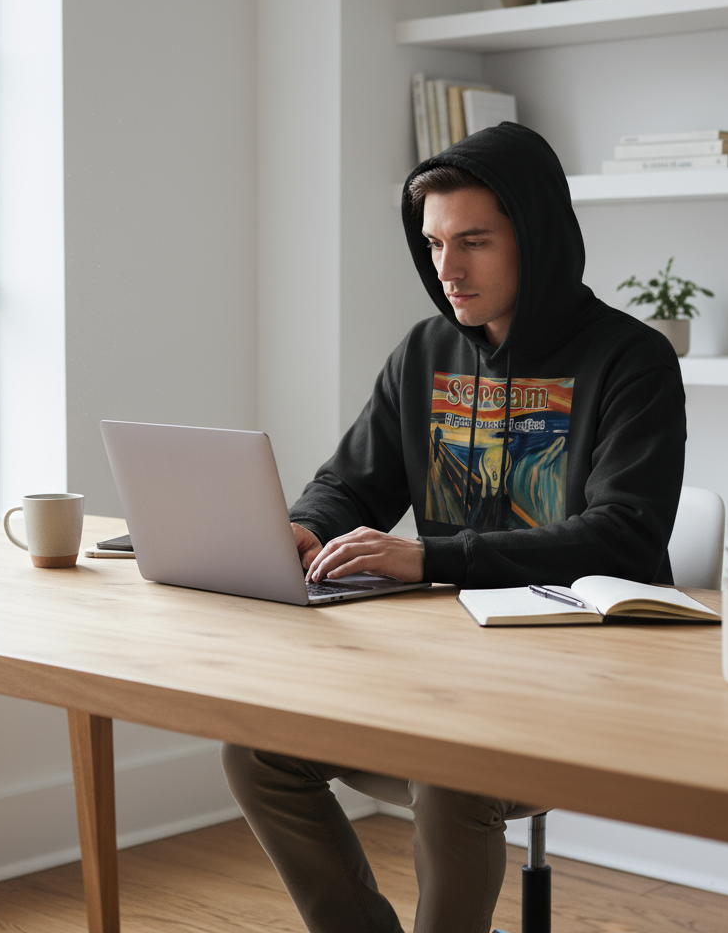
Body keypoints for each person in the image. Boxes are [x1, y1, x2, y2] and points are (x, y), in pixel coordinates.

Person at [222, 122, 686, 933]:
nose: (449, 269)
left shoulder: (632, 360)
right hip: (436, 676)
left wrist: (430, 557)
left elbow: (624, 538)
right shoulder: (424, 354)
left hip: (578, 681)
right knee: (256, 749)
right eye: (435, 244)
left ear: (535, 238)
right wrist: (305, 528)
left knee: (449, 768)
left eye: (474, 241)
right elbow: (349, 483)